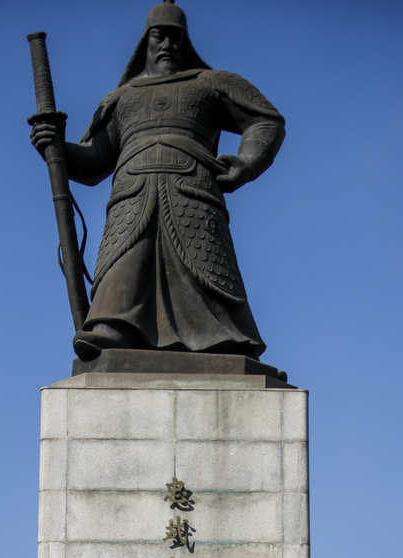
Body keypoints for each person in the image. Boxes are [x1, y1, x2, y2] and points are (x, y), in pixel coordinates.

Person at [30, 2, 285, 361]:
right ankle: (114, 326)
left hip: (192, 190)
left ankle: (221, 337)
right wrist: (55, 146)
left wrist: (247, 163)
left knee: (205, 268)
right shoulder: (121, 98)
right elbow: (94, 160)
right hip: (132, 194)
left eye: (175, 37)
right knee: (125, 259)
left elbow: (266, 120)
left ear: (186, 42)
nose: (167, 45)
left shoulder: (211, 83)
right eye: (159, 36)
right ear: (145, 42)